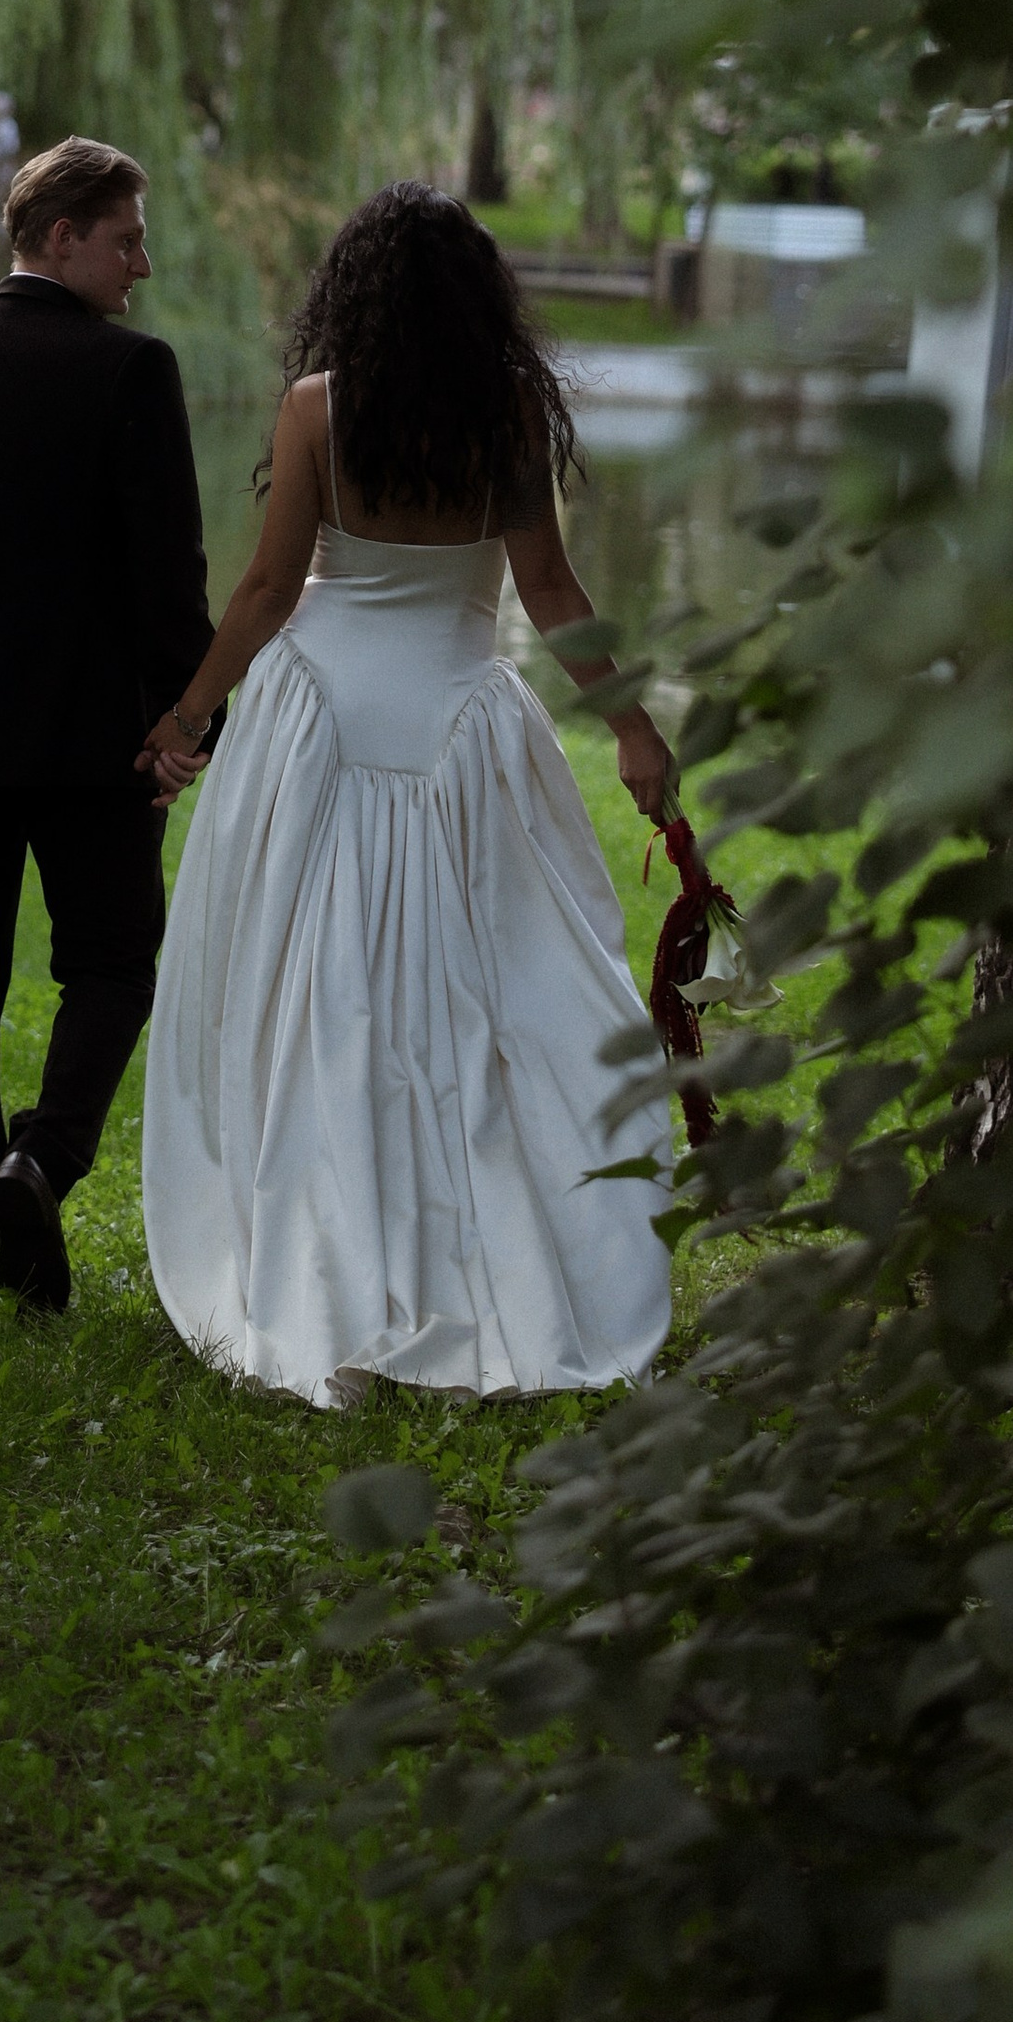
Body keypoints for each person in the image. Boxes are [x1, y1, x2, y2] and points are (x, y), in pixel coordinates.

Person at [139, 181, 675, 1406]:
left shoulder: (318, 409)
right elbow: (550, 591)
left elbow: (269, 593)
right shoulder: (508, 413)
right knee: (479, 1000)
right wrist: (634, 733)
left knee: (310, 997)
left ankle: (322, 1262)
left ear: (355, 294)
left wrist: (186, 718)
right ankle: (468, 1260)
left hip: (316, 720)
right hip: (458, 720)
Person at [0, 136, 212, 1311]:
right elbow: (169, 575)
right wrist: (184, 723)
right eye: (126, 239)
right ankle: (43, 1159)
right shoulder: (132, 371)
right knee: (112, 962)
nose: (143, 266)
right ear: (60, 238)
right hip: (91, 730)